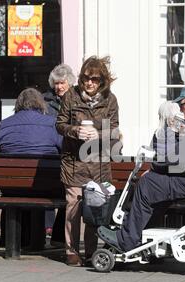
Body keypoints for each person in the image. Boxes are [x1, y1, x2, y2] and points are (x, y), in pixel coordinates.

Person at [98, 83, 185, 252]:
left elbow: (181, 159)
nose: (182, 111)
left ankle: (126, 240)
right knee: (158, 185)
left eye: (182, 106)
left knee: (148, 184)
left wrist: (154, 168)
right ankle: (141, 234)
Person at [57, 56, 119, 266]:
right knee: (73, 208)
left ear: (102, 81)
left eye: (94, 79)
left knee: (95, 208)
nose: (89, 83)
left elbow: (115, 130)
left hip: (98, 164)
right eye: (85, 79)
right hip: (74, 163)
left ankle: (92, 251)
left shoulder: (110, 99)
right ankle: (71, 251)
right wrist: (75, 130)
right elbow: (59, 124)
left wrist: (98, 134)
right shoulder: (71, 96)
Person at [0, 88, 63, 248]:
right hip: (47, 187)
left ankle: (8, 240)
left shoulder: (4, 124)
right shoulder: (53, 124)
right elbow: (63, 151)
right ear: (40, 104)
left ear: (18, 104)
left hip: (11, 188)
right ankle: (59, 238)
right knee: (72, 194)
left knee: (13, 190)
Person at [43, 64, 77, 239]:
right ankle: (48, 226)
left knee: (68, 190)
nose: (59, 87)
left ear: (69, 83)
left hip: (68, 151)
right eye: (56, 83)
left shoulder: (77, 100)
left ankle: (58, 231)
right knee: (48, 183)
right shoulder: (45, 101)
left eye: (62, 82)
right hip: (52, 150)